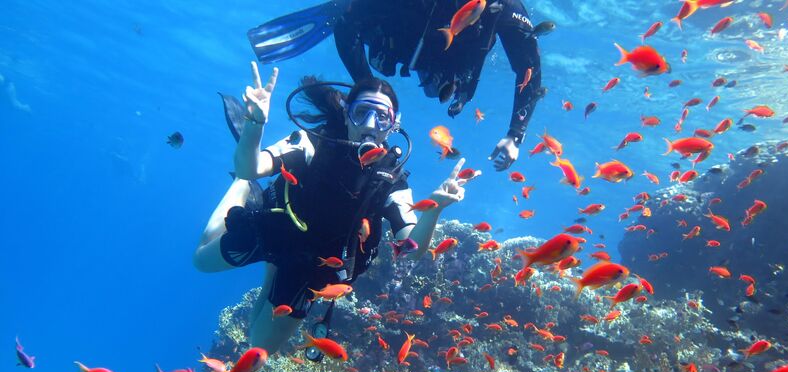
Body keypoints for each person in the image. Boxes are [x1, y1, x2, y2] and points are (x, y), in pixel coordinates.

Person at [193, 63, 469, 353]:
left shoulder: (391, 178)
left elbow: (411, 244)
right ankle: (242, 189)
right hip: (273, 227)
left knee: (259, 345)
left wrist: (434, 209)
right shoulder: (312, 142)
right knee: (200, 260)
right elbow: (250, 166)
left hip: (310, 265)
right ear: (347, 112)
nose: (370, 125)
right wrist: (254, 124)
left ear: (393, 125)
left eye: (382, 117)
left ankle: (273, 268)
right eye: (362, 112)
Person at [332, 0, 545, 172]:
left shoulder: (501, 6)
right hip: (397, 36)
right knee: (352, 14)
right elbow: (344, 27)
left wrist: (515, 134)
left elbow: (529, 66)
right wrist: (367, 88)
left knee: (437, 91)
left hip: (444, 62)